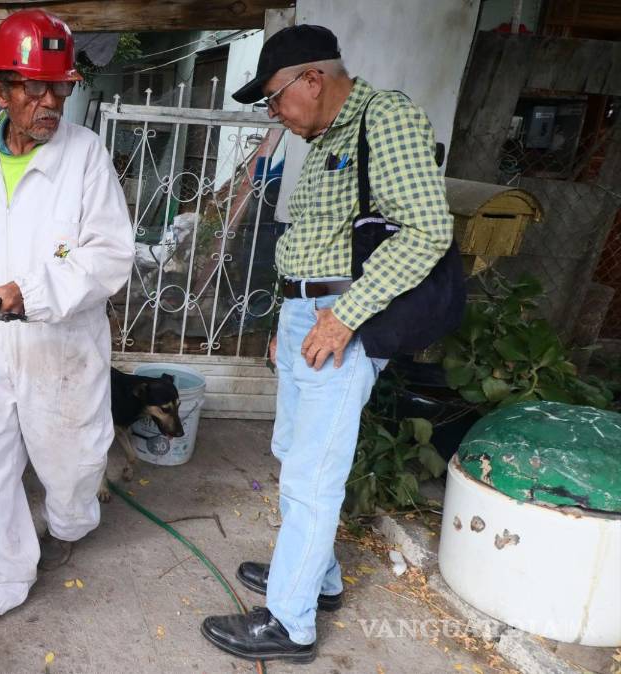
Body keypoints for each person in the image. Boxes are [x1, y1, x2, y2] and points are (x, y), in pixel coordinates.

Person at [200, 24, 453, 663]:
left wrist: (343, 318)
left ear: (313, 79)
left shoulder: (383, 117)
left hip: (342, 318)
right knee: (293, 450)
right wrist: (293, 318)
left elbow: (426, 231)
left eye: (275, 98)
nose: (274, 114)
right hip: (307, 312)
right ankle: (319, 578)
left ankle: (290, 623)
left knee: (313, 473)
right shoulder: (327, 133)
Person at [0, 8, 134, 631]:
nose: (49, 102)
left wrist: (33, 291)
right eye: (33, 88)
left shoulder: (85, 156)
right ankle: (4, 577)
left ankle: (70, 522)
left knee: (73, 465)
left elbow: (111, 255)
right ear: (0, 94)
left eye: (59, 86)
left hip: (58, 345)